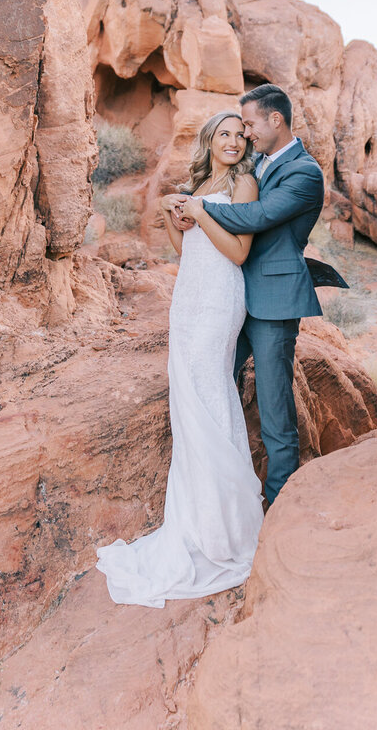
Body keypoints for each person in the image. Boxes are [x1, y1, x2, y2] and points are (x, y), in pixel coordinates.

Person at [96, 112, 264, 608]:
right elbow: (185, 246)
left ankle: (226, 529)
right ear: (210, 140)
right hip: (189, 295)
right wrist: (176, 217)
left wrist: (202, 212)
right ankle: (194, 522)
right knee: (188, 400)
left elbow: (237, 253)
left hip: (220, 299)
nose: (233, 141)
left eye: (240, 134)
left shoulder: (245, 185)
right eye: (225, 134)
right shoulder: (202, 182)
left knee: (210, 390)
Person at [177, 84, 324, 507]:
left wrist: (200, 207)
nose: (245, 134)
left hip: (273, 300)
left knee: (274, 405)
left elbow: (259, 216)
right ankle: (214, 493)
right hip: (229, 296)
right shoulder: (257, 161)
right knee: (211, 381)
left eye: (250, 124)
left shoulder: (304, 171)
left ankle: (279, 505)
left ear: (275, 120)